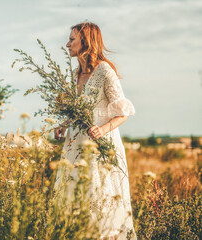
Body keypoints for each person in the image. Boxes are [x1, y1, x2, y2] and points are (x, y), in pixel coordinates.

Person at [54, 22, 137, 239]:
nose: (67, 44)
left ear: (86, 41)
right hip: (75, 145)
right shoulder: (75, 74)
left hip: (100, 146)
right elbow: (76, 111)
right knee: (74, 197)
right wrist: (63, 125)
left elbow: (123, 111)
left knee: (99, 198)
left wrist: (103, 129)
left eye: (72, 39)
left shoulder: (104, 71)